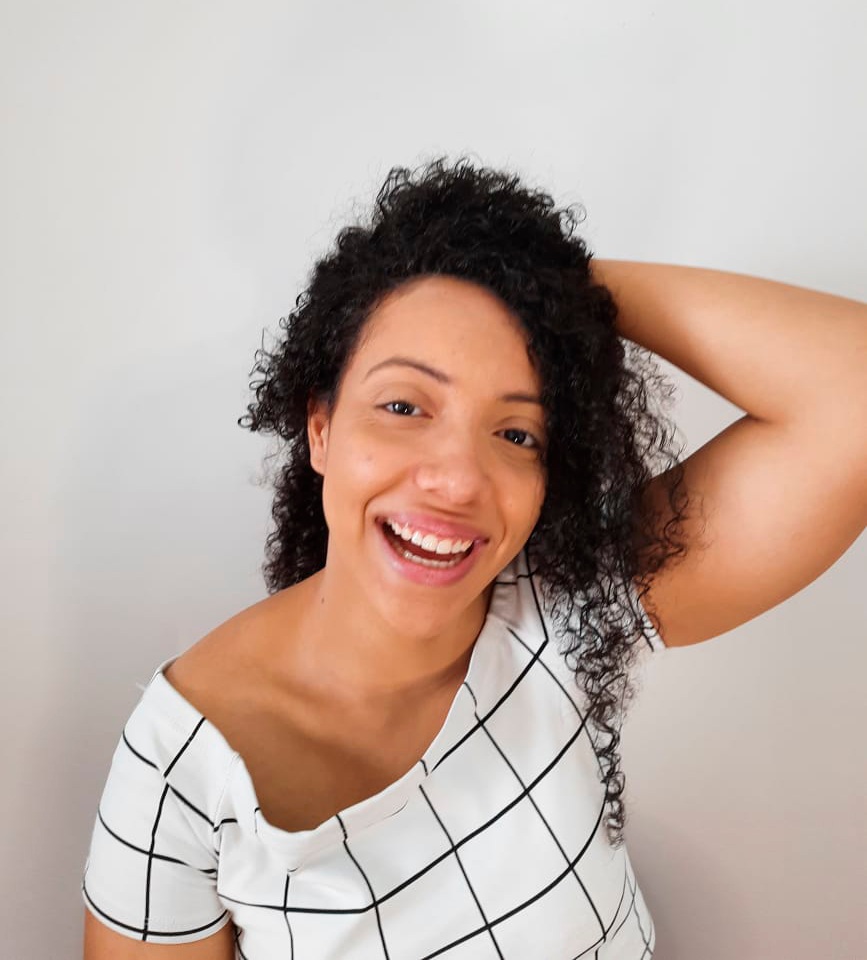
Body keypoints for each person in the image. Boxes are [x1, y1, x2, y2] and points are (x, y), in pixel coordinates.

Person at [81, 159, 867, 959]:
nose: (458, 480)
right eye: (403, 406)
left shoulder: (560, 608)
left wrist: (538, 281)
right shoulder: (181, 767)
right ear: (320, 428)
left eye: (515, 433)